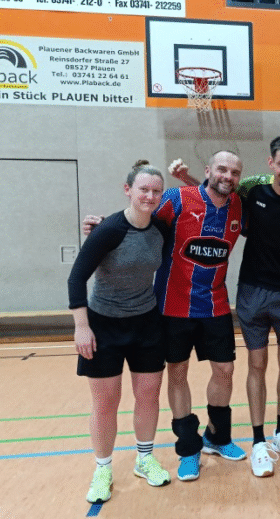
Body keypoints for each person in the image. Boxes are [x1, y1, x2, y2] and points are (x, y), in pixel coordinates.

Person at [84, 151, 248, 484]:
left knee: (225, 370)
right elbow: (137, 215)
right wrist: (103, 228)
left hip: (216, 304)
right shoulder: (176, 198)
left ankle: (217, 437)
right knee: (178, 372)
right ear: (208, 171)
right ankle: (189, 449)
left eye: (234, 171)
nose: (227, 175)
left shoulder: (237, 207)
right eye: (221, 169)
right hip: (172, 306)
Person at [171, 136, 280, 478]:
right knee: (256, 364)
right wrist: (186, 180)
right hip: (252, 292)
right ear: (271, 164)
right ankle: (258, 440)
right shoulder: (253, 187)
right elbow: (216, 193)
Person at [68, 162, 170, 504]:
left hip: (146, 322)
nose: (150, 196)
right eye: (143, 189)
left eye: (156, 191)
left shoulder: (160, 229)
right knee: (106, 402)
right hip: (104, 324)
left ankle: (144, 459)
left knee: (149, 395)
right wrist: (82, 328)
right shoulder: (108, 230)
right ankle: (103, 468)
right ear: (128, 190)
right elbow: (75, 278)